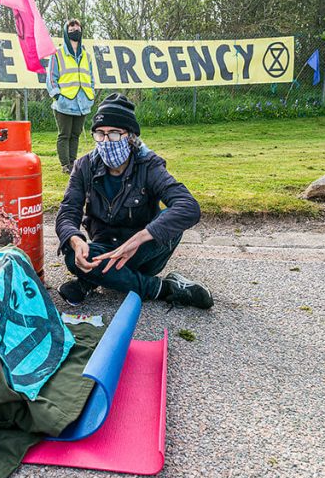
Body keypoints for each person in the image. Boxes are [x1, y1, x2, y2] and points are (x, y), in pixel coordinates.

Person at [55, 93, 213, 308]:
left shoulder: (149, 165)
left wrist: (140, 238)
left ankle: (90, 280)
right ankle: (164, 288)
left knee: (170, 216)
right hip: (106, 246)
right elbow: (67, 211)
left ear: (130, 136)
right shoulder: (84, 166)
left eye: (114, 134)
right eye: (99, 134)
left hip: (145, 250)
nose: (105, 141)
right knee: (73, 255)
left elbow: (188, 207)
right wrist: (76, 240)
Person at [46, 18, 95, 173]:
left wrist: (91, 95)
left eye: (78, 27)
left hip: (83, 102)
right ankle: (65, 165)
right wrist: (58, 96)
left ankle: (73, 164)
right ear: (66, 32)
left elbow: (91, 78)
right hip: (65, 102)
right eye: (71, 27)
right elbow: (51, 78)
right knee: (64, 134)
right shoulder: (57, 54)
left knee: (75, 134)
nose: (75, 30)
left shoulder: (87, 56)